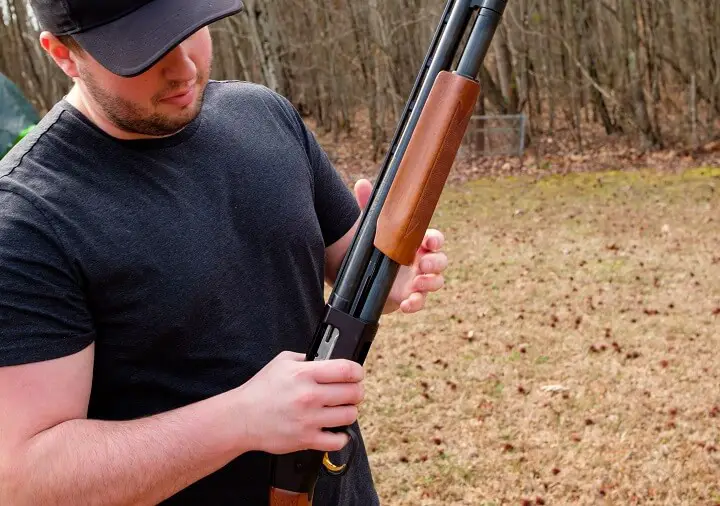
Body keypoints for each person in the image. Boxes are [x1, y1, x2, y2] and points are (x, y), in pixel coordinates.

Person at [0, 1, 449, 504]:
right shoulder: (26, 218)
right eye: (142, 54)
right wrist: (241, 421)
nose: (184, 68)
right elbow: (25, 476)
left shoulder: (265, 115)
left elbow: (350, 268)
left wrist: (393, 270)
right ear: (63, 54)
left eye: (190, 30)